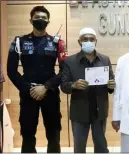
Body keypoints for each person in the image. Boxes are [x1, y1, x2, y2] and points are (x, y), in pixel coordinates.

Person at [6, 6, 67, 153]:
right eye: (37, 18)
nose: (40, 20)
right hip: (28, 95)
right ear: (31, 20)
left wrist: (45, 87)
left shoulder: (57, 42)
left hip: (50, 94)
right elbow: (11, 71)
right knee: (27, 135)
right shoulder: (18, 42)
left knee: (53, 135)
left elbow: (65, 71)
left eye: (44, 18)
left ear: (48, 21)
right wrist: (29, 89)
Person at [61, 27, 115, 153]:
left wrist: (112, 85)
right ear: (79, 41)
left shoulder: (105, 59)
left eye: (91, 39)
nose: (89, 41)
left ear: (96, 41)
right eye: (85, 39)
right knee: (79, 147)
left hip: (99, 110)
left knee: (101, 146)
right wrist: (74, 85)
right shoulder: (70, 61)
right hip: (79, 111)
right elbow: (64, 85)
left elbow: (111, 83)